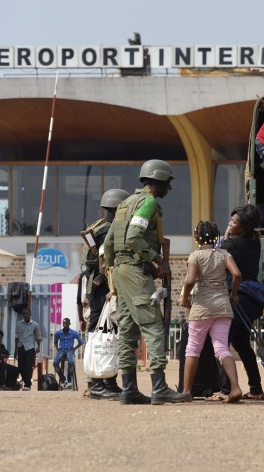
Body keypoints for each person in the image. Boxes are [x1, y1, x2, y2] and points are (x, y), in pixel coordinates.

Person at [103, 159, 190, 405]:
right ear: (159, 181)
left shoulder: (124, 204)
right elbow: (133, 237)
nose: (169, 190)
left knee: (128, 330)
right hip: (135, 270)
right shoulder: (148, 202)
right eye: (167, 184)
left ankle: (129, 389)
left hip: (120, 271)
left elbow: (109, 243)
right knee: (152, 324)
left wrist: (114, 271)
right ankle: (159, 387)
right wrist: (156, 259)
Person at [177, 221, 242, 403]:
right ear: (217, 236)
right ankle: (235, 388)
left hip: (202, 307)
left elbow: (190, 280)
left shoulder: (195, 256)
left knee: (193, 349)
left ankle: (187, 391)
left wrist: (184, 298)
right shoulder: (223, 254)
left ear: (197, 238)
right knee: (221, 348)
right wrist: (234, 294)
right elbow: (236, 274)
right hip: (222, 306)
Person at [80, 188, 129, 399]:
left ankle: (108, 381)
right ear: (117, 208)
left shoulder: (97, 227)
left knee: (109, 334)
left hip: (100, 286)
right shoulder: (108, 229)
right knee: (99, 334)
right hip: (102, 287)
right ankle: (96, 383)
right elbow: (97, 262)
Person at [219, 204, 264, 400]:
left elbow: (215, 255)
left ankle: (226, 389)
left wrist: (225, 238)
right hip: (250, 299)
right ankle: (256, 389)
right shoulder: (253, 242)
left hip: (237, 297)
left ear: (245, 227)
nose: (230, 224)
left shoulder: (232, 245)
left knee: (221, 343)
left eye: (234, 222)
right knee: (241, 344)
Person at [14, 308, 41, 391]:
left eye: (26, 313)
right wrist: (15, 350)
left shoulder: (35, 325)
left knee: (28, 367)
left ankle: (27, 385)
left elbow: (38, 337)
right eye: (23, 314)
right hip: (21, 347)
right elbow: (16, 337)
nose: (25, 315)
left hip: (30, 348)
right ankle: (27, 381)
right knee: (20, 367)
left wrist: (38, 346)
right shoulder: (19, 324)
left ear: (30, 314)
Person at [53, 318, 85, 388]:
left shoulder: (73, 333)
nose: (64, 325)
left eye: (66, 323)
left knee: (71, 362)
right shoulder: (58, 332)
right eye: (63, 323)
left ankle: (69, 380)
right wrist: (57, 349)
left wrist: (74, 348)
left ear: (69, 324)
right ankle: (63, 379)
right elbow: (55, 342)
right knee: (55, 363)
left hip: (70, 350)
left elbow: (81, 342)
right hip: (61, 350)